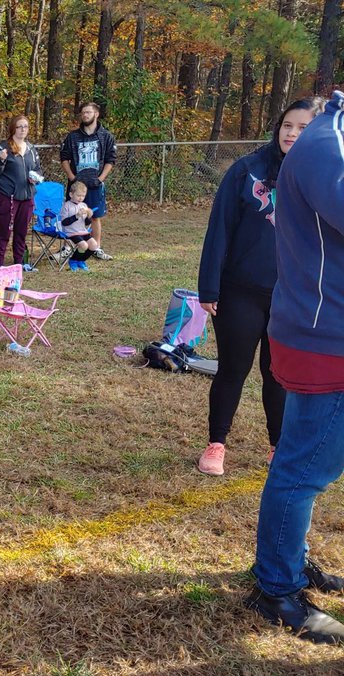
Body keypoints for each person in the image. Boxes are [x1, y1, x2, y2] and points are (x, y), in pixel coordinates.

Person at [243, 89, 344, 646]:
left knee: (307, 463)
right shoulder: (327, 147)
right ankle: (276, 586)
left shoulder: (331, 139)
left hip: (321, 328)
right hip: (324, 335)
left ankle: (289, 564)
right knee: (303, 469)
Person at [195, 98, 320, 477]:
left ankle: (278, 446)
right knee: (233, 369)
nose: (292, 134)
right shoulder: (246, 171)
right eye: (287, 125)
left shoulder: (323, 180)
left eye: (302, 128)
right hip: (240, 291)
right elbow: (220, 229)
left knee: (278, 374)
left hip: (290, 297)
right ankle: (216, 443)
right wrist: (209, 287)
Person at [60, 101, 117, 261]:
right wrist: (72, 178)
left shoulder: (106, 136)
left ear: (96, 114)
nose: (85, 115)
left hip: (95, 185)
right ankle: (67, 247)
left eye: (89, 112)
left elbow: (110, 160)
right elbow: (64, 158)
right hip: (76, 185)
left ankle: (95, 247)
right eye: (83, 112)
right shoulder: (72, 137)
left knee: (95, 216)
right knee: (71, 214)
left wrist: (100, 179)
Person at [0, 115, 43, 268]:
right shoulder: (3, 147)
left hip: (27, 197)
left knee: (21, 232)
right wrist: (0, 160)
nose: (22, 130)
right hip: (8, 196)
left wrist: (36, 177)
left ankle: (18, 264)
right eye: (19, 126)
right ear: (13, 128)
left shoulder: (32, 149)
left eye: (25, 126)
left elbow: (38, 169)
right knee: (5, 231)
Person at [57, 181, 98, 272]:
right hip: (71, 232)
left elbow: (86, 223)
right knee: (83, 245)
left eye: (83, 196)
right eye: (78, 195)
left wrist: (89, 216)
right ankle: (73, 260)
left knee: (94, 245)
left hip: (82, 231)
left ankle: (81, 261)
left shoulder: (83, 205)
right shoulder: (66, 206)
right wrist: (76, 216)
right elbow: (64, 222)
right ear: (71, 194)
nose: (80, 198)